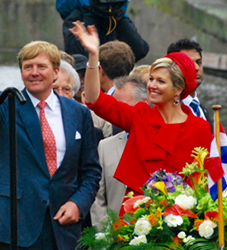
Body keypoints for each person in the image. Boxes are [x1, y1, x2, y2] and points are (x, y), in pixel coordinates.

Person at [0, 14, 101, 250]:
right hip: (13, 228)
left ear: (55, 72)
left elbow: (91, 171)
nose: (34, 73)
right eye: (27, 67)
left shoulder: (78, 113)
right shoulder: (6, 104)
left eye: (41, 67)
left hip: (62, 227)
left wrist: (78, 204)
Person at [71, 21, 212, 194]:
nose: (152, 85)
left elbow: (201, 185)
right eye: (151, 79)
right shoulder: (139, 116)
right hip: (136, 215)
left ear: (178, 89)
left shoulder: (200, 128)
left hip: (182, 216)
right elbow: (95, 100)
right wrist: (93, 56)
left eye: (161, 81)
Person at [90, 75, 148, 227]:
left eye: (120, 106)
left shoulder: (161, 142)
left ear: (144, 104)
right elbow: (98, 199)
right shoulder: (105, 146)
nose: (113, 112)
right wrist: (105, 236)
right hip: (114, 239)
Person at [167, 38, 211, 123]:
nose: (197, 68)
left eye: (198, 62)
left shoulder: (201, 109)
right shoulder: (170, 110)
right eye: (188, 63)